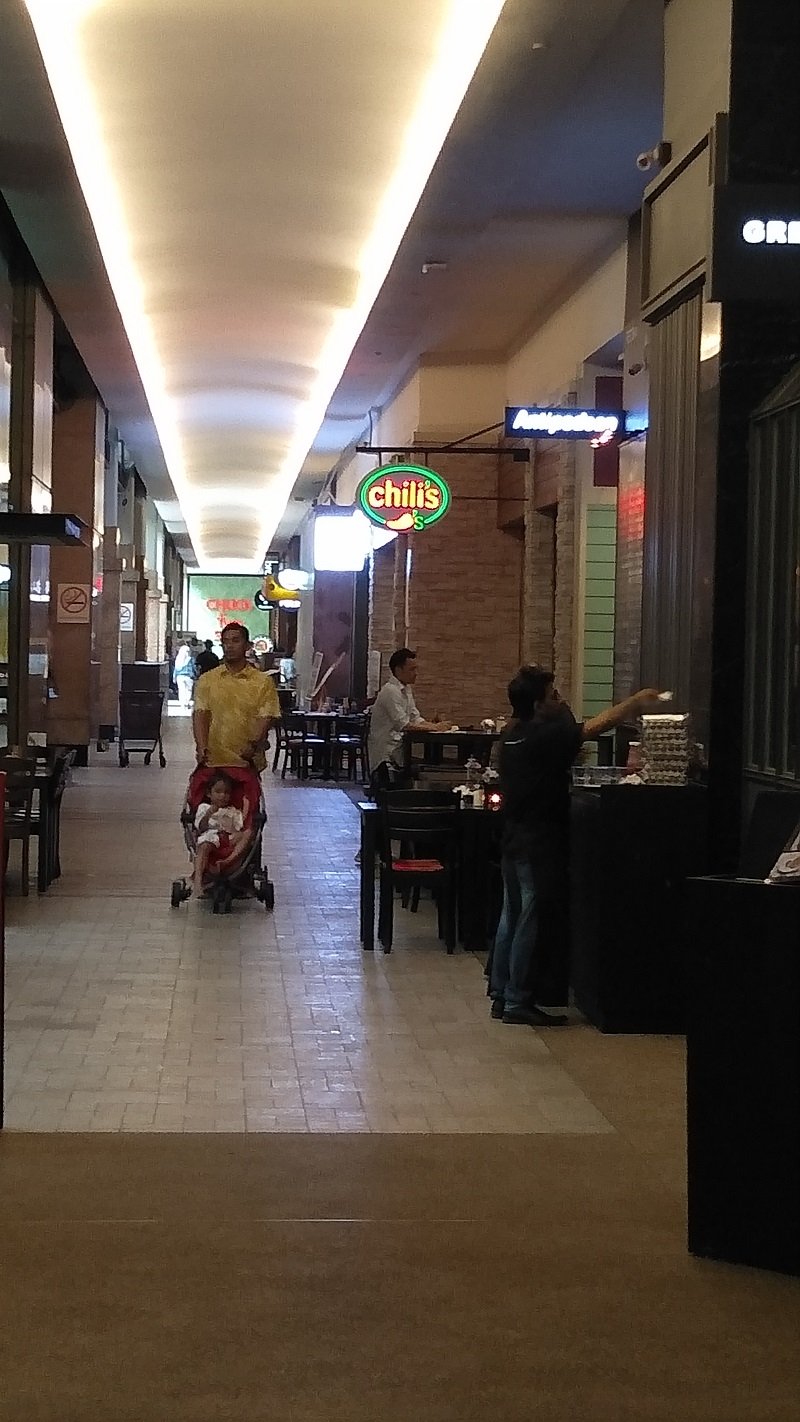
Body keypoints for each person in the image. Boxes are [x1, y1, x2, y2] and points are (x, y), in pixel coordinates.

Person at [489, 667, 662, 1028]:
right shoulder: (543, 736)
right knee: (530, 917)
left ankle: (502, 993)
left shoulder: (511, 735)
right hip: (537, 841)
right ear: (538, 704)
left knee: (512, 914)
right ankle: (518, 999)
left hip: (513, 838)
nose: (560, 698)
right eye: (553, 694)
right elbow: (592, 728)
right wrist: (635, 702)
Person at [192, 621, 281, 770]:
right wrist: (201, 747)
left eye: (235, 641)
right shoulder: (207, 680)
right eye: (225, 642)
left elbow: (266, 717)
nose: (230, 646)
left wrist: (252, 746)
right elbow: (201, 714)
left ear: (247, 646)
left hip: (247, 761)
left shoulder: (262, 682)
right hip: (213, 760)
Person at [367, 647, 442, 793]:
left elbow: (415, 717)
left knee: (425, 767)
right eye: (412, 669)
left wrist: (435, 725)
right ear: (398, 670)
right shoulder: (390, 691)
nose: (416, 673)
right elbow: (403, 724)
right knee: (421, 770)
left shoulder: (406, 689)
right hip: (386, 754)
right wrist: (434, 728)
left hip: (399, 750)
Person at [192, 771, 251, 896]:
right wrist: (208, 814)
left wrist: (246, 805)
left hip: (228, 838)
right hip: (211, 836)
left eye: (226, 793)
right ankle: (198, 881)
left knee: (247, 833)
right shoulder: (204, 807)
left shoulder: (232, 811)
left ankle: (228, 861)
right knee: (204, 846)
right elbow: (201, 828)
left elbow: (241, 826)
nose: (222, 796)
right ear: (209, 794)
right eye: (218, 792)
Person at [173, 640, 196, 709]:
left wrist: (174, 677)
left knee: (181, 690)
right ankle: (187, 702)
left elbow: (176, 669)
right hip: (189, 676)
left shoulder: (178, 659)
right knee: (188, 690)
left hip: (179, 677)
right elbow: (194, 667)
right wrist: (195, 674)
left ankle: (182, 704)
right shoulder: (191, 659)